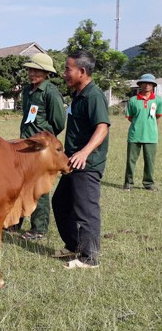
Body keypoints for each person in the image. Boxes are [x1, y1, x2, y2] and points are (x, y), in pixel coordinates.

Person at [52, 51, 109, 269]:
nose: (64, 73)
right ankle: (74, 245)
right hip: (73, 161)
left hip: (87, 163)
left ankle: (89, 258)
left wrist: (85, 152)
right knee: (61, 203)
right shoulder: (78, 94)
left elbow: (102, 128)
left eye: (68, 69)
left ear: (82, 71)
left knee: (86, 210)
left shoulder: (93, 95)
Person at [10, 53, 66, 240]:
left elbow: (59, 122)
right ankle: (15, 222)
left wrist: (46, 139)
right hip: (24, 145)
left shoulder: (51, 92)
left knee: (39, 187)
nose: (32, 73)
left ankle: (38, 228)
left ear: (46, 73)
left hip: (42, 148)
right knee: (20, 184)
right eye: (30, 69)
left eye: (37, 70)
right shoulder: (27, 91)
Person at [123, 73, 161, 191]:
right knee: (131, 160)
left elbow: (158, 116)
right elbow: (130, 117)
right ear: (140, 85)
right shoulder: (133, 100)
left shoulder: (158, 100)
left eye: (149, 83)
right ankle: (128, 183)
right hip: (135, 135)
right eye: (144, 83)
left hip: (151, 136)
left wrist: (152, 128)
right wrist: (138, 125)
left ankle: (148, 183)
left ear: (153, 85)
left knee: (150, 161)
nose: (147, 85)